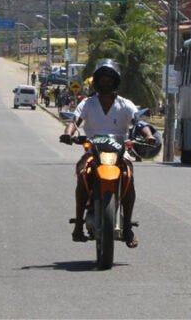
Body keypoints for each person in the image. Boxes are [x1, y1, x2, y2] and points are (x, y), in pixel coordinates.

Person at [59, 59, 141, 248]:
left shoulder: (126, 104)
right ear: (96, 81)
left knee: (129, 174)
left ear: (115, 81)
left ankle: (127, 227)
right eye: (102, 78)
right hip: (93, 150)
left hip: (119, 150)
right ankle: (78, 225)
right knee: (82, 173)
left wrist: (148, 135)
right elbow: (74, 120)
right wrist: (68, 133)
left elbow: (139, 122)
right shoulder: (87, 103)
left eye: (109, 78)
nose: (106, 82)